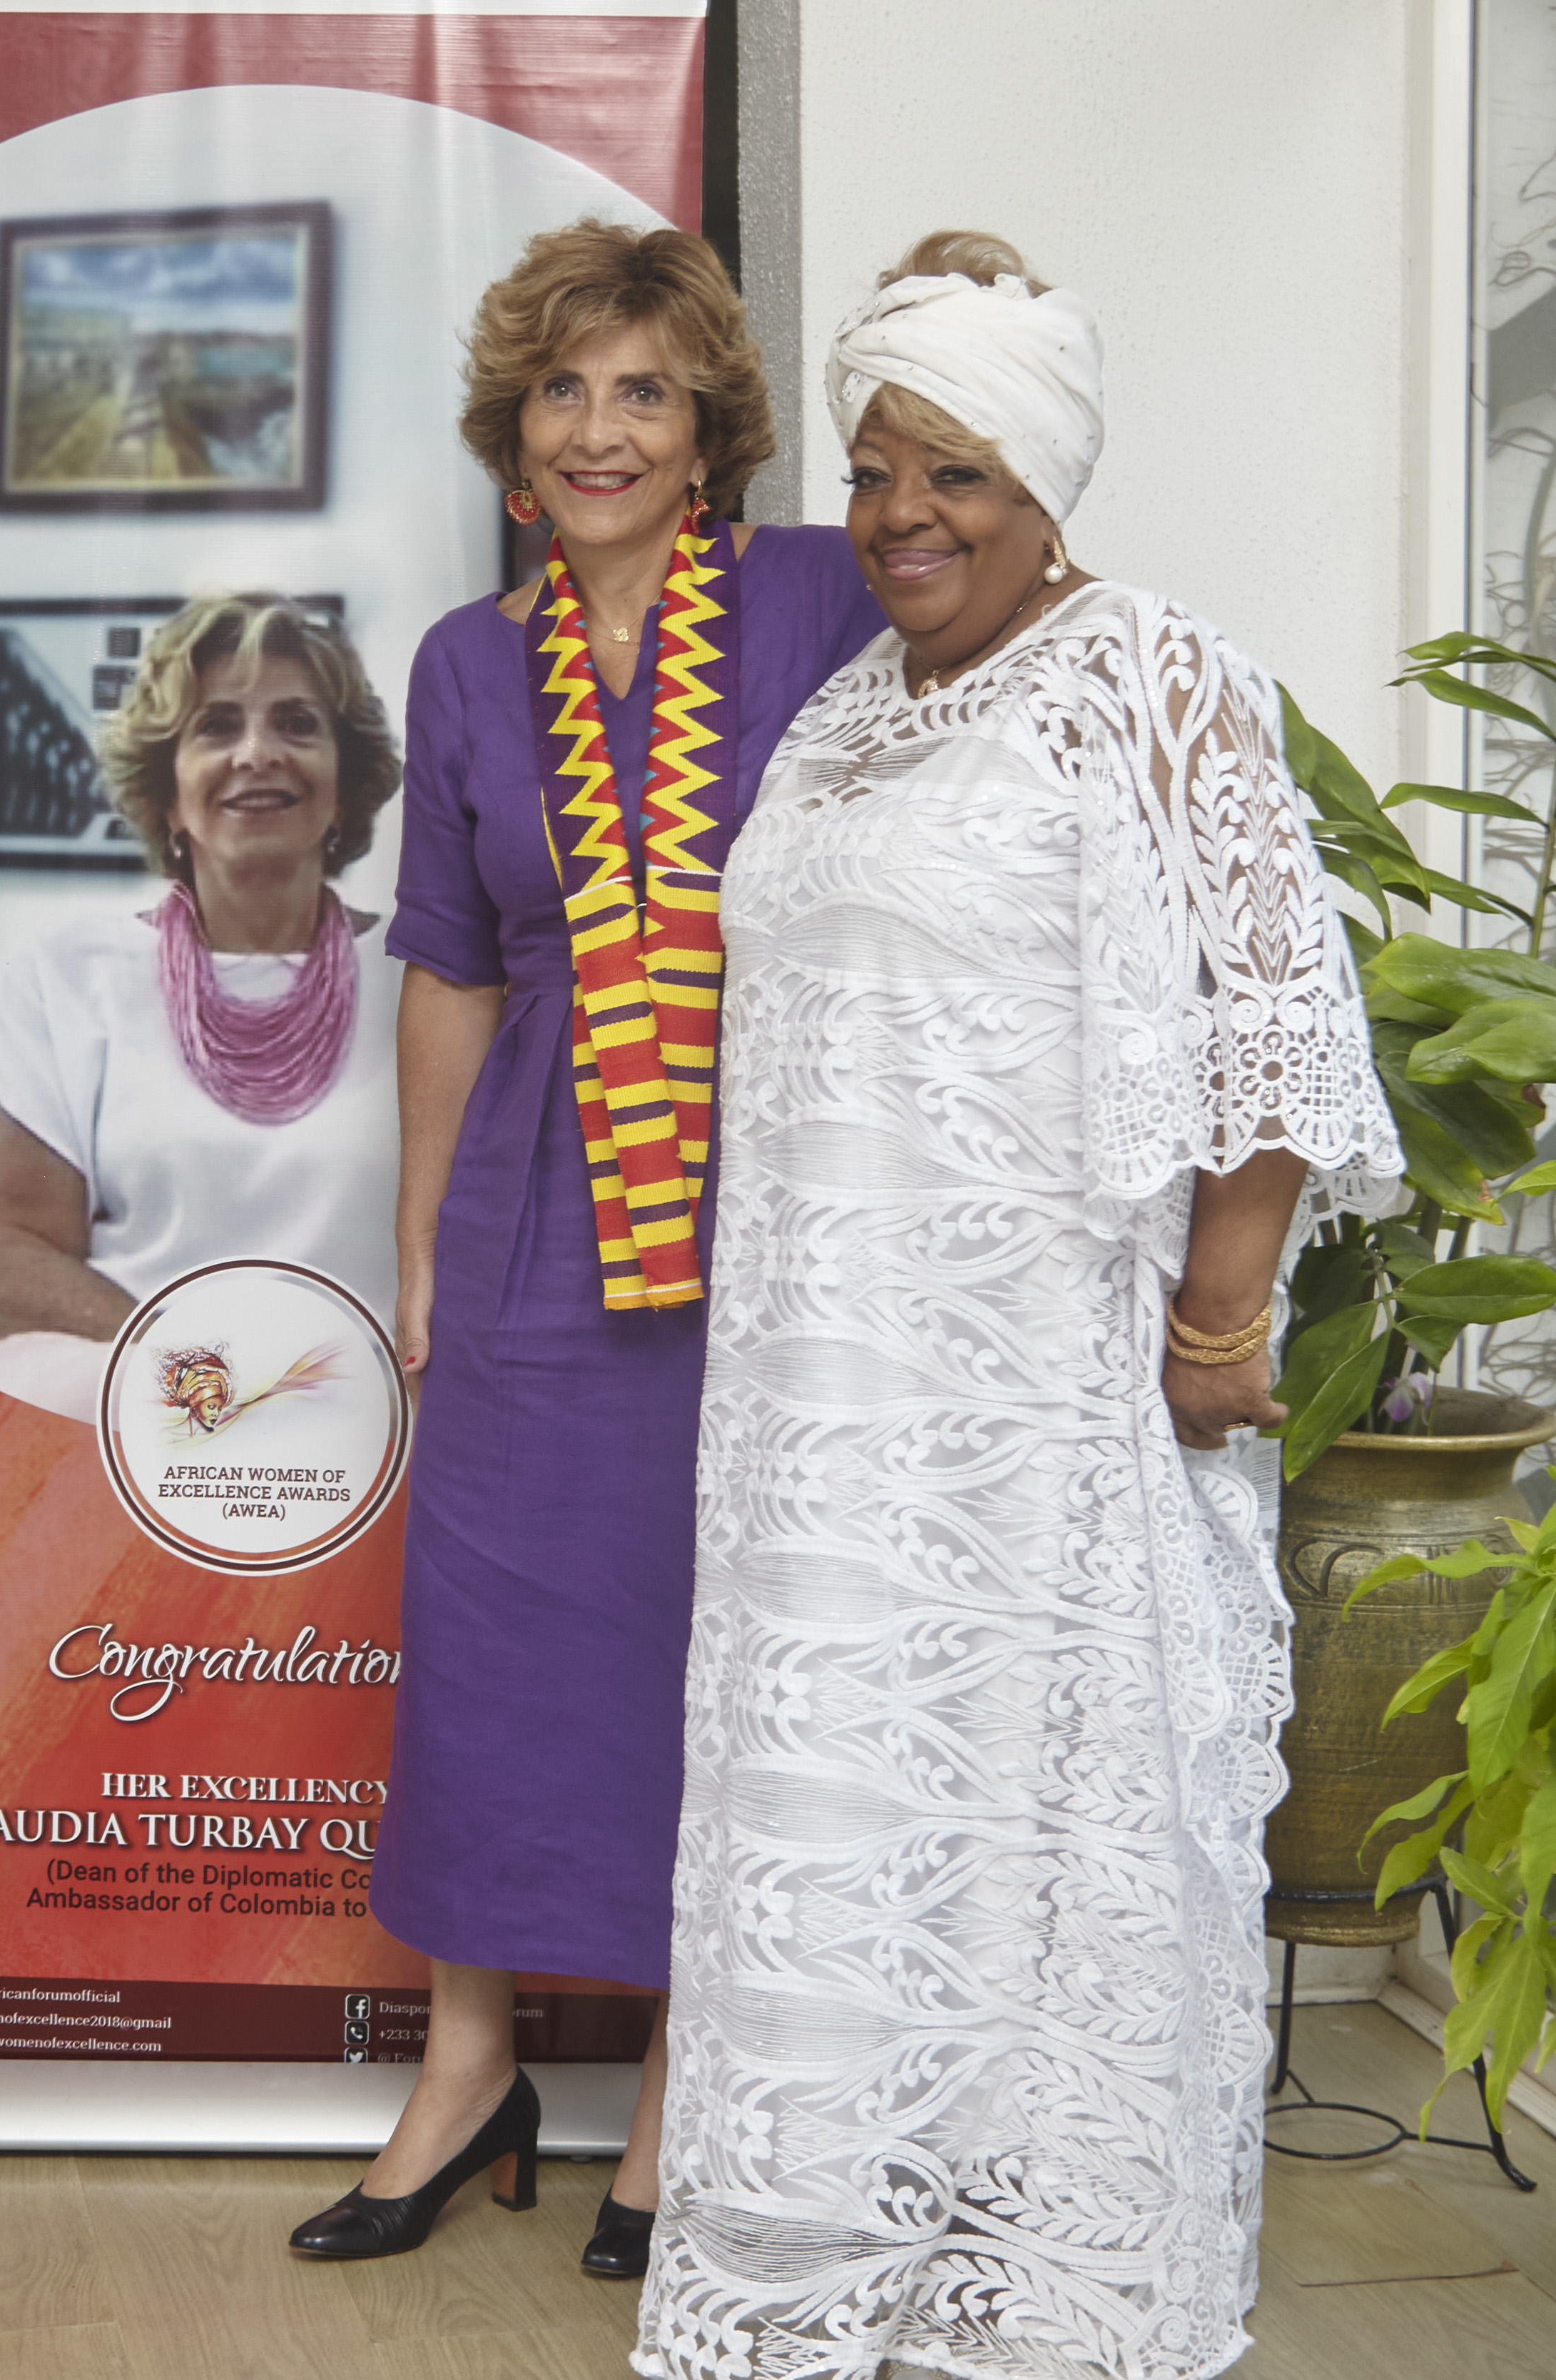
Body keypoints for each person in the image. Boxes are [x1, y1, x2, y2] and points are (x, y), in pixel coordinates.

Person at [632, 235, 1400, 2380]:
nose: (901, 517)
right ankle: (852, 2250)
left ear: (1047, 479)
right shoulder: (855, 708)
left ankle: (1036, 2273)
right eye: (878, 468)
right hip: (828, 1404)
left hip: (1041, 1398)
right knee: (862, 1823)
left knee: (1038, 1833)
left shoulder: (1152, 672)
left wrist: (1216, 1326)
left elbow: (1271, 1022)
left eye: (954, 471)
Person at [290, 222, 885, 2272]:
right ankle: (468, 2066)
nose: (601, 428)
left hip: (770, 1187)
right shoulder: (468, 660)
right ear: (513, 434)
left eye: (643, 388)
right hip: (540, 1190)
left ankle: (678, 2084)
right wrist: (423, 1240)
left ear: (712, 421)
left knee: (705, 1630)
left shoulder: (821, 595)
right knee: (494, 1626)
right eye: (564, 390)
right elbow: (446, 968)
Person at [0, 594, 405, 1421]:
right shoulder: (70, 975)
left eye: (298, 724)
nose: (256, 752)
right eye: (216, 726)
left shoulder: (425, 977)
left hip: (367, 1412)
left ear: (345, 788)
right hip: (127, 1397)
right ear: (165, 795)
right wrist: (205, 1382)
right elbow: (7, 1260)